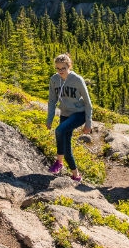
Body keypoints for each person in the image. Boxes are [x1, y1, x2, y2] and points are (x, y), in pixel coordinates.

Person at [46, 53, 93, 182]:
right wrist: (49, 119)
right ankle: (76, 176)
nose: (60, 71)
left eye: (63, 68)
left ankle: (58, 162)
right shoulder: (54, 80)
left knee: (59, 130)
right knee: (66, 146)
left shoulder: (77, 80)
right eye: (58, 68)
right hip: (65, 114)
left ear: (69, 66)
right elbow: (52, 101)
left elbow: (88, 103)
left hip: (79, 114)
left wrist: (88, 123)